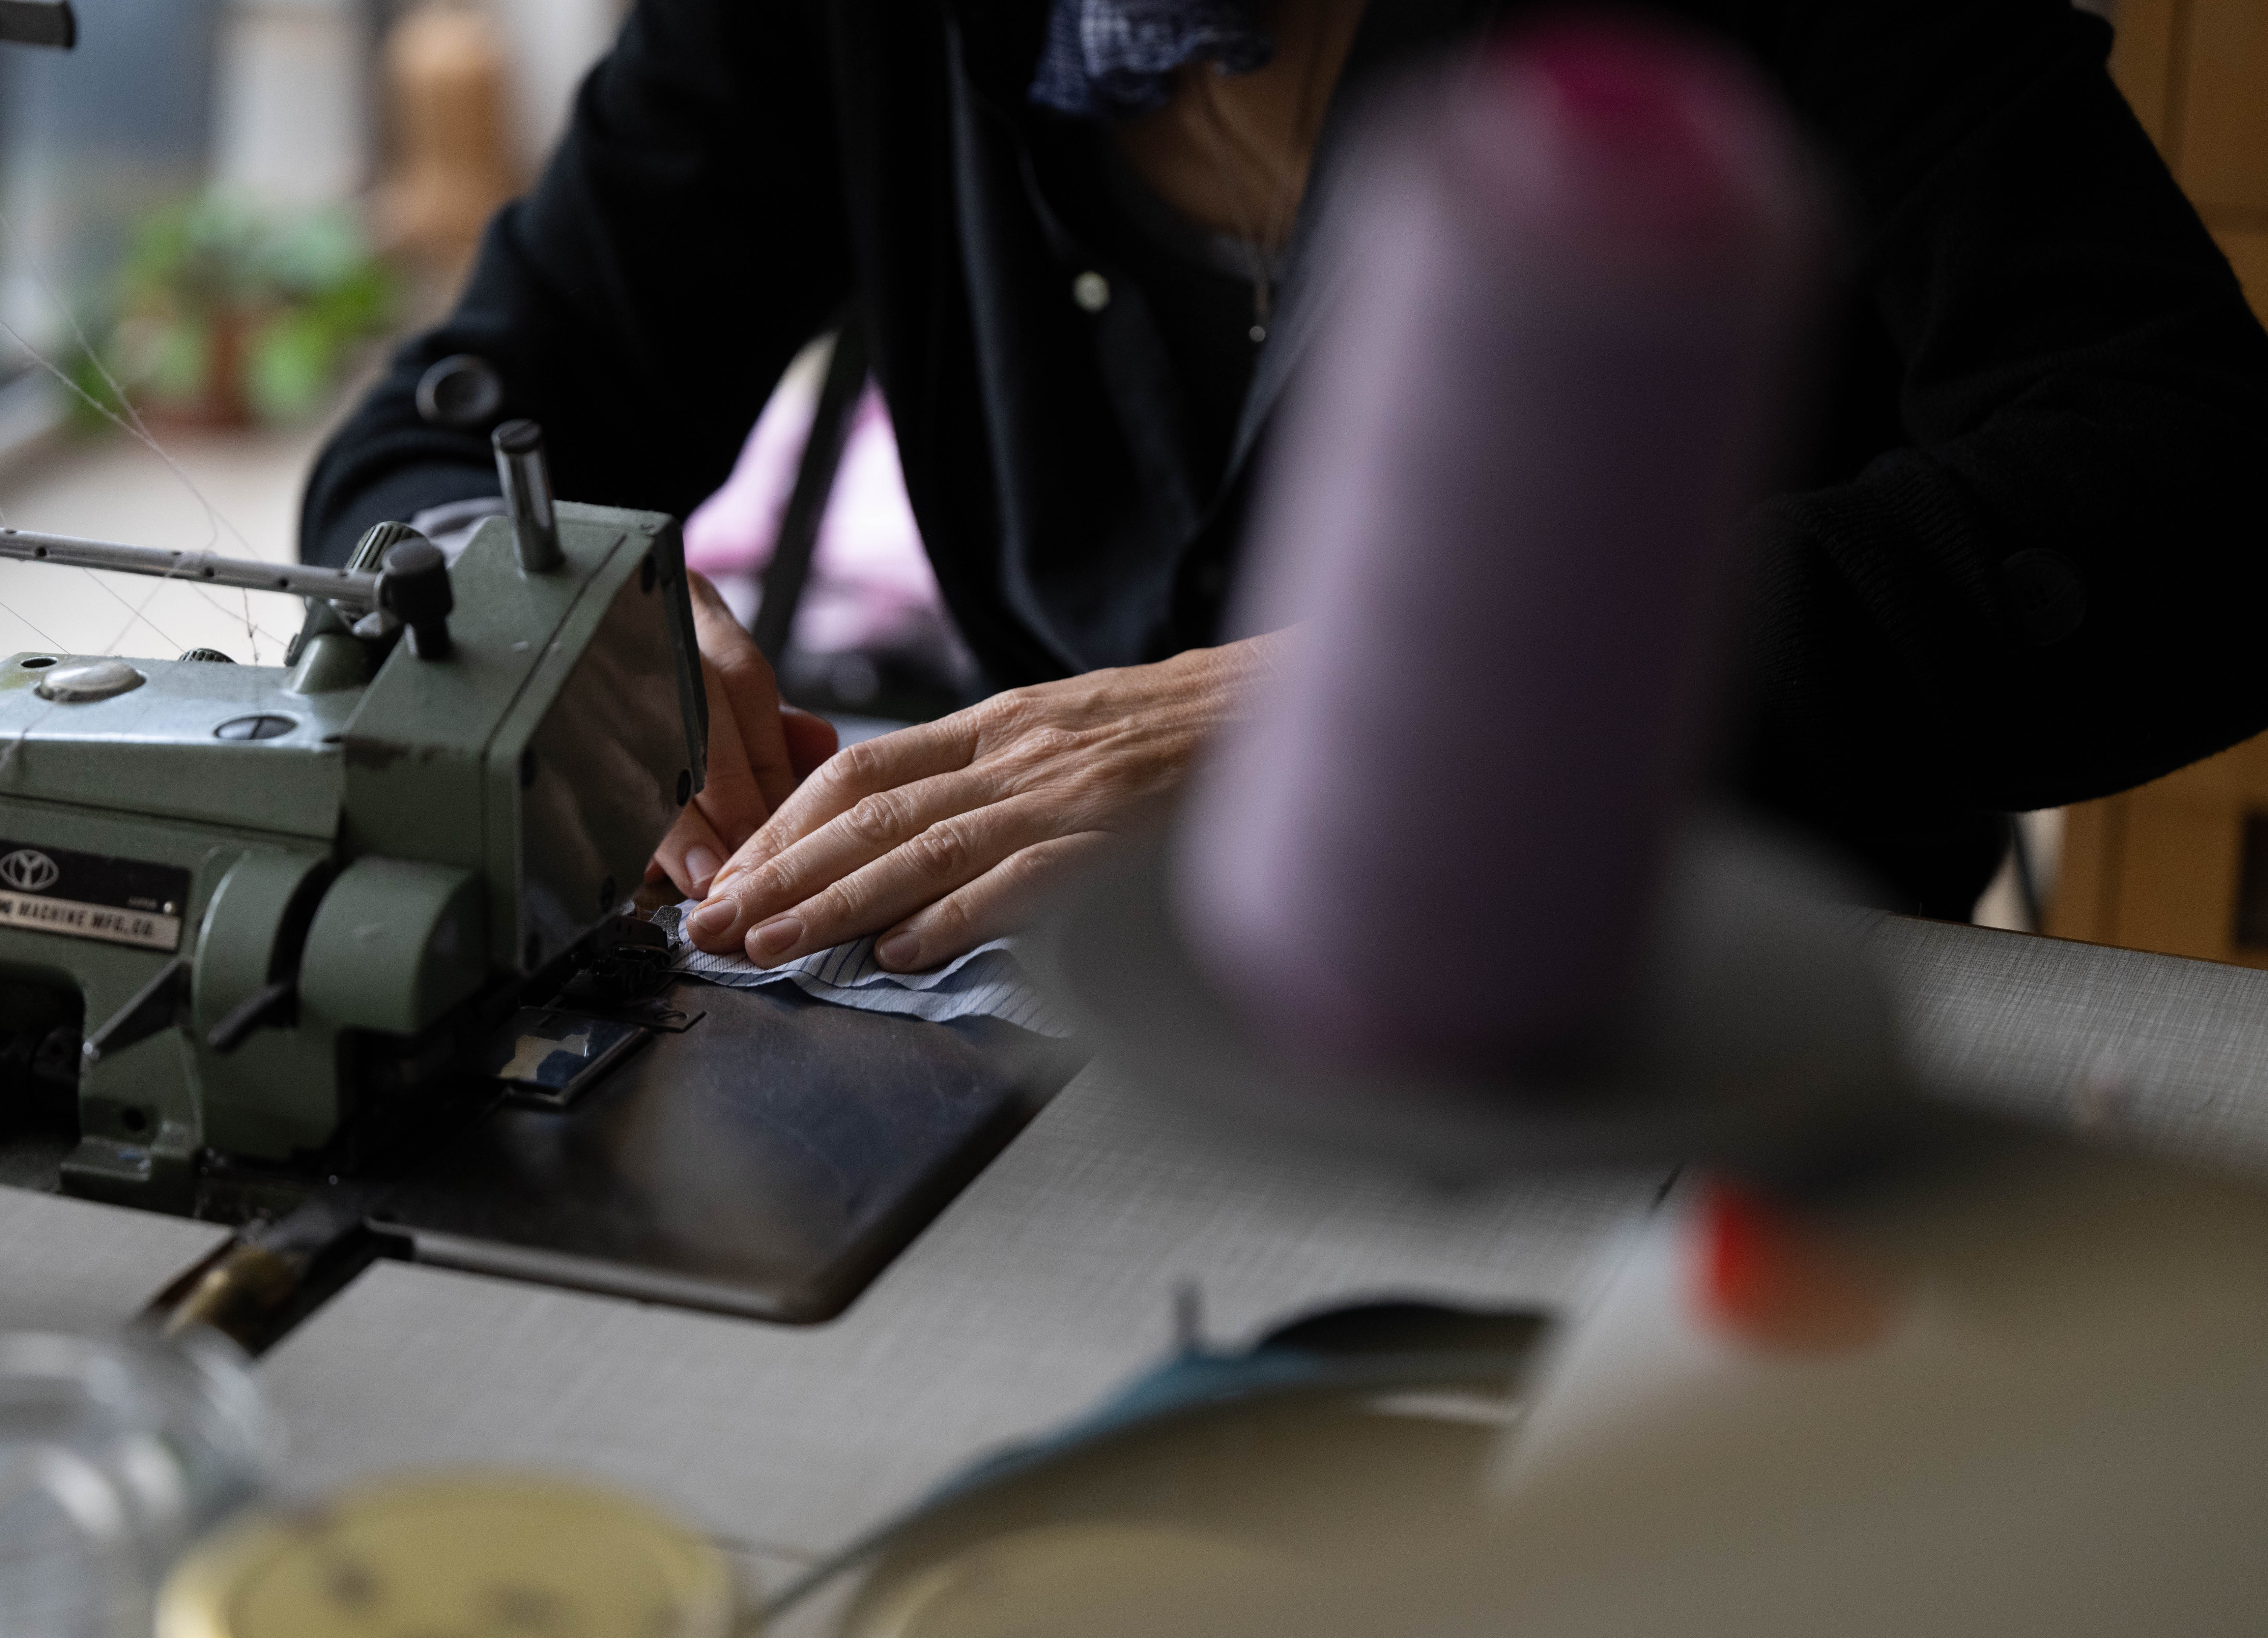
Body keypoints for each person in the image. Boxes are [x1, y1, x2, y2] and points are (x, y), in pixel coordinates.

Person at [303, 0, 2268, 971]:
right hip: (1080, 1013)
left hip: (1683, 1010)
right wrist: (536, 613)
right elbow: (457, 438)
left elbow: (2200, 511)